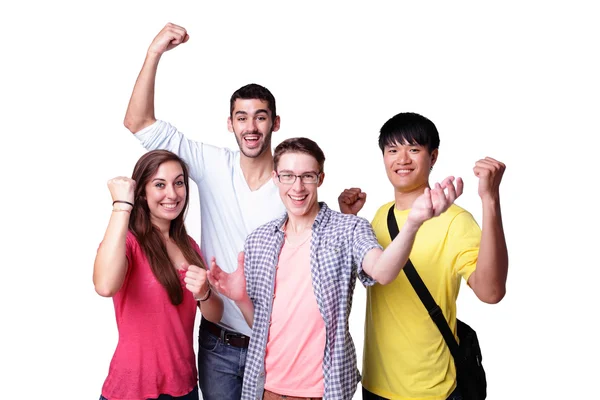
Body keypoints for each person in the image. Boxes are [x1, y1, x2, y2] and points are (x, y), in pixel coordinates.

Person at [207, 137, 463, 400]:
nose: (297, 187)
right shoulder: (259, 241)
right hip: (264, 389)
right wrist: (240, 298)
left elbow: (383, 271)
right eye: (288, 176)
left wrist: (413, 222)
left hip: (324, 391)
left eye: (307, 176)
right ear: (275, 178)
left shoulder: (349, 228)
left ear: (320, 178)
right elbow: (260, 327)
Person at [123, 23, 286, 399]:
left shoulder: (292, 182)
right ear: (230, 124)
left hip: (275, 340)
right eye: (242, 117)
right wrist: (154, 53)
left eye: (261, 117)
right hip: (219, 344)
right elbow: (138, 123)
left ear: (275, 123)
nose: (251, 126)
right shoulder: (213, 164)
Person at [338, 112, 509, 400]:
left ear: (433, 157)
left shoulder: (454, 220)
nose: (402, 159)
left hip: (431, 390)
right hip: (374, 384)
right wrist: (349, 220)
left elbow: (491, 292)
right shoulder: (381, 215)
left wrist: (490, 200)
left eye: (414, 149)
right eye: (393, 150)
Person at [93, 149, 224, 400]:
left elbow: (214, 315)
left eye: (178, 183)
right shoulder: (128, 242)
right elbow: (105, 286)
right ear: (142, 192)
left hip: (183, 386)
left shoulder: (190, 245)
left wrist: (205, 293)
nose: (172, 194)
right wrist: (122, 206)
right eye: (160, 185)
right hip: (132, 389)